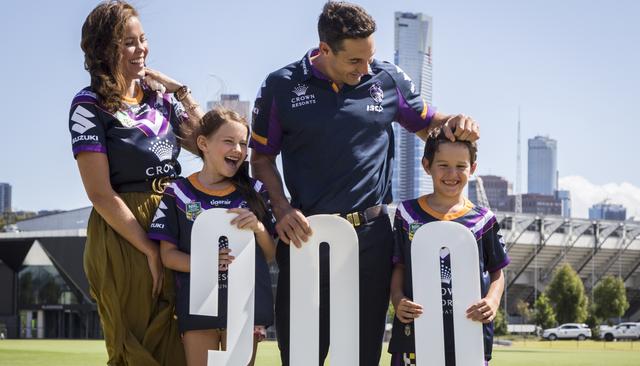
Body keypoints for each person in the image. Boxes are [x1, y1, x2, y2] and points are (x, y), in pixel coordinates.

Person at [249, 2, 479, 365]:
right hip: (305, 235)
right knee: (300, 354)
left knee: (362, 355)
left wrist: (459, 121)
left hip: (371, 239)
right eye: (355, 61)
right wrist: (280, 208)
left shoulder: (386, 79)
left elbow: (429, 124)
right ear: (325, 50)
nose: (367, 69)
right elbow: (260, 157)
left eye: (370, 57)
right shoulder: (280, 85)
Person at [69, 1, 204, 364]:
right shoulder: (88, 105)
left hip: (175, 225)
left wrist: (181, 91)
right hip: (126, 235)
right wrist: (148, 248)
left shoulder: (161, 101)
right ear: (103, 49)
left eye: (142, 39)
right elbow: (99, 193)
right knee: (137, 349)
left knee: (183, 342)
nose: (141, 48)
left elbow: (217, 146)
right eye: (129, 42)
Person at [147, 108, 276, 366]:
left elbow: (270, 254)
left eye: (243, 143)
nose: (238, 150)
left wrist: (259, 229)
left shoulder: (256, 191)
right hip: (199, 304)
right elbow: (168, 256)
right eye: (229, 141)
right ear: (203, 143)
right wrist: (207, 263)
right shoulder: (178, 192)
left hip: (243, 306)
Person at [389, 129, 510, 365]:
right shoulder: (407, 214)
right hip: (416, 331)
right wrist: (398, 299)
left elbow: (498, 271)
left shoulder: (482, 220)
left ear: (472, 169)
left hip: (469, 333)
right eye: (443, 165)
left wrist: (492, 301)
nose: (452, 174)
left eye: (461, 166)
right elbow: (399, 266)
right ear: (427, 165)